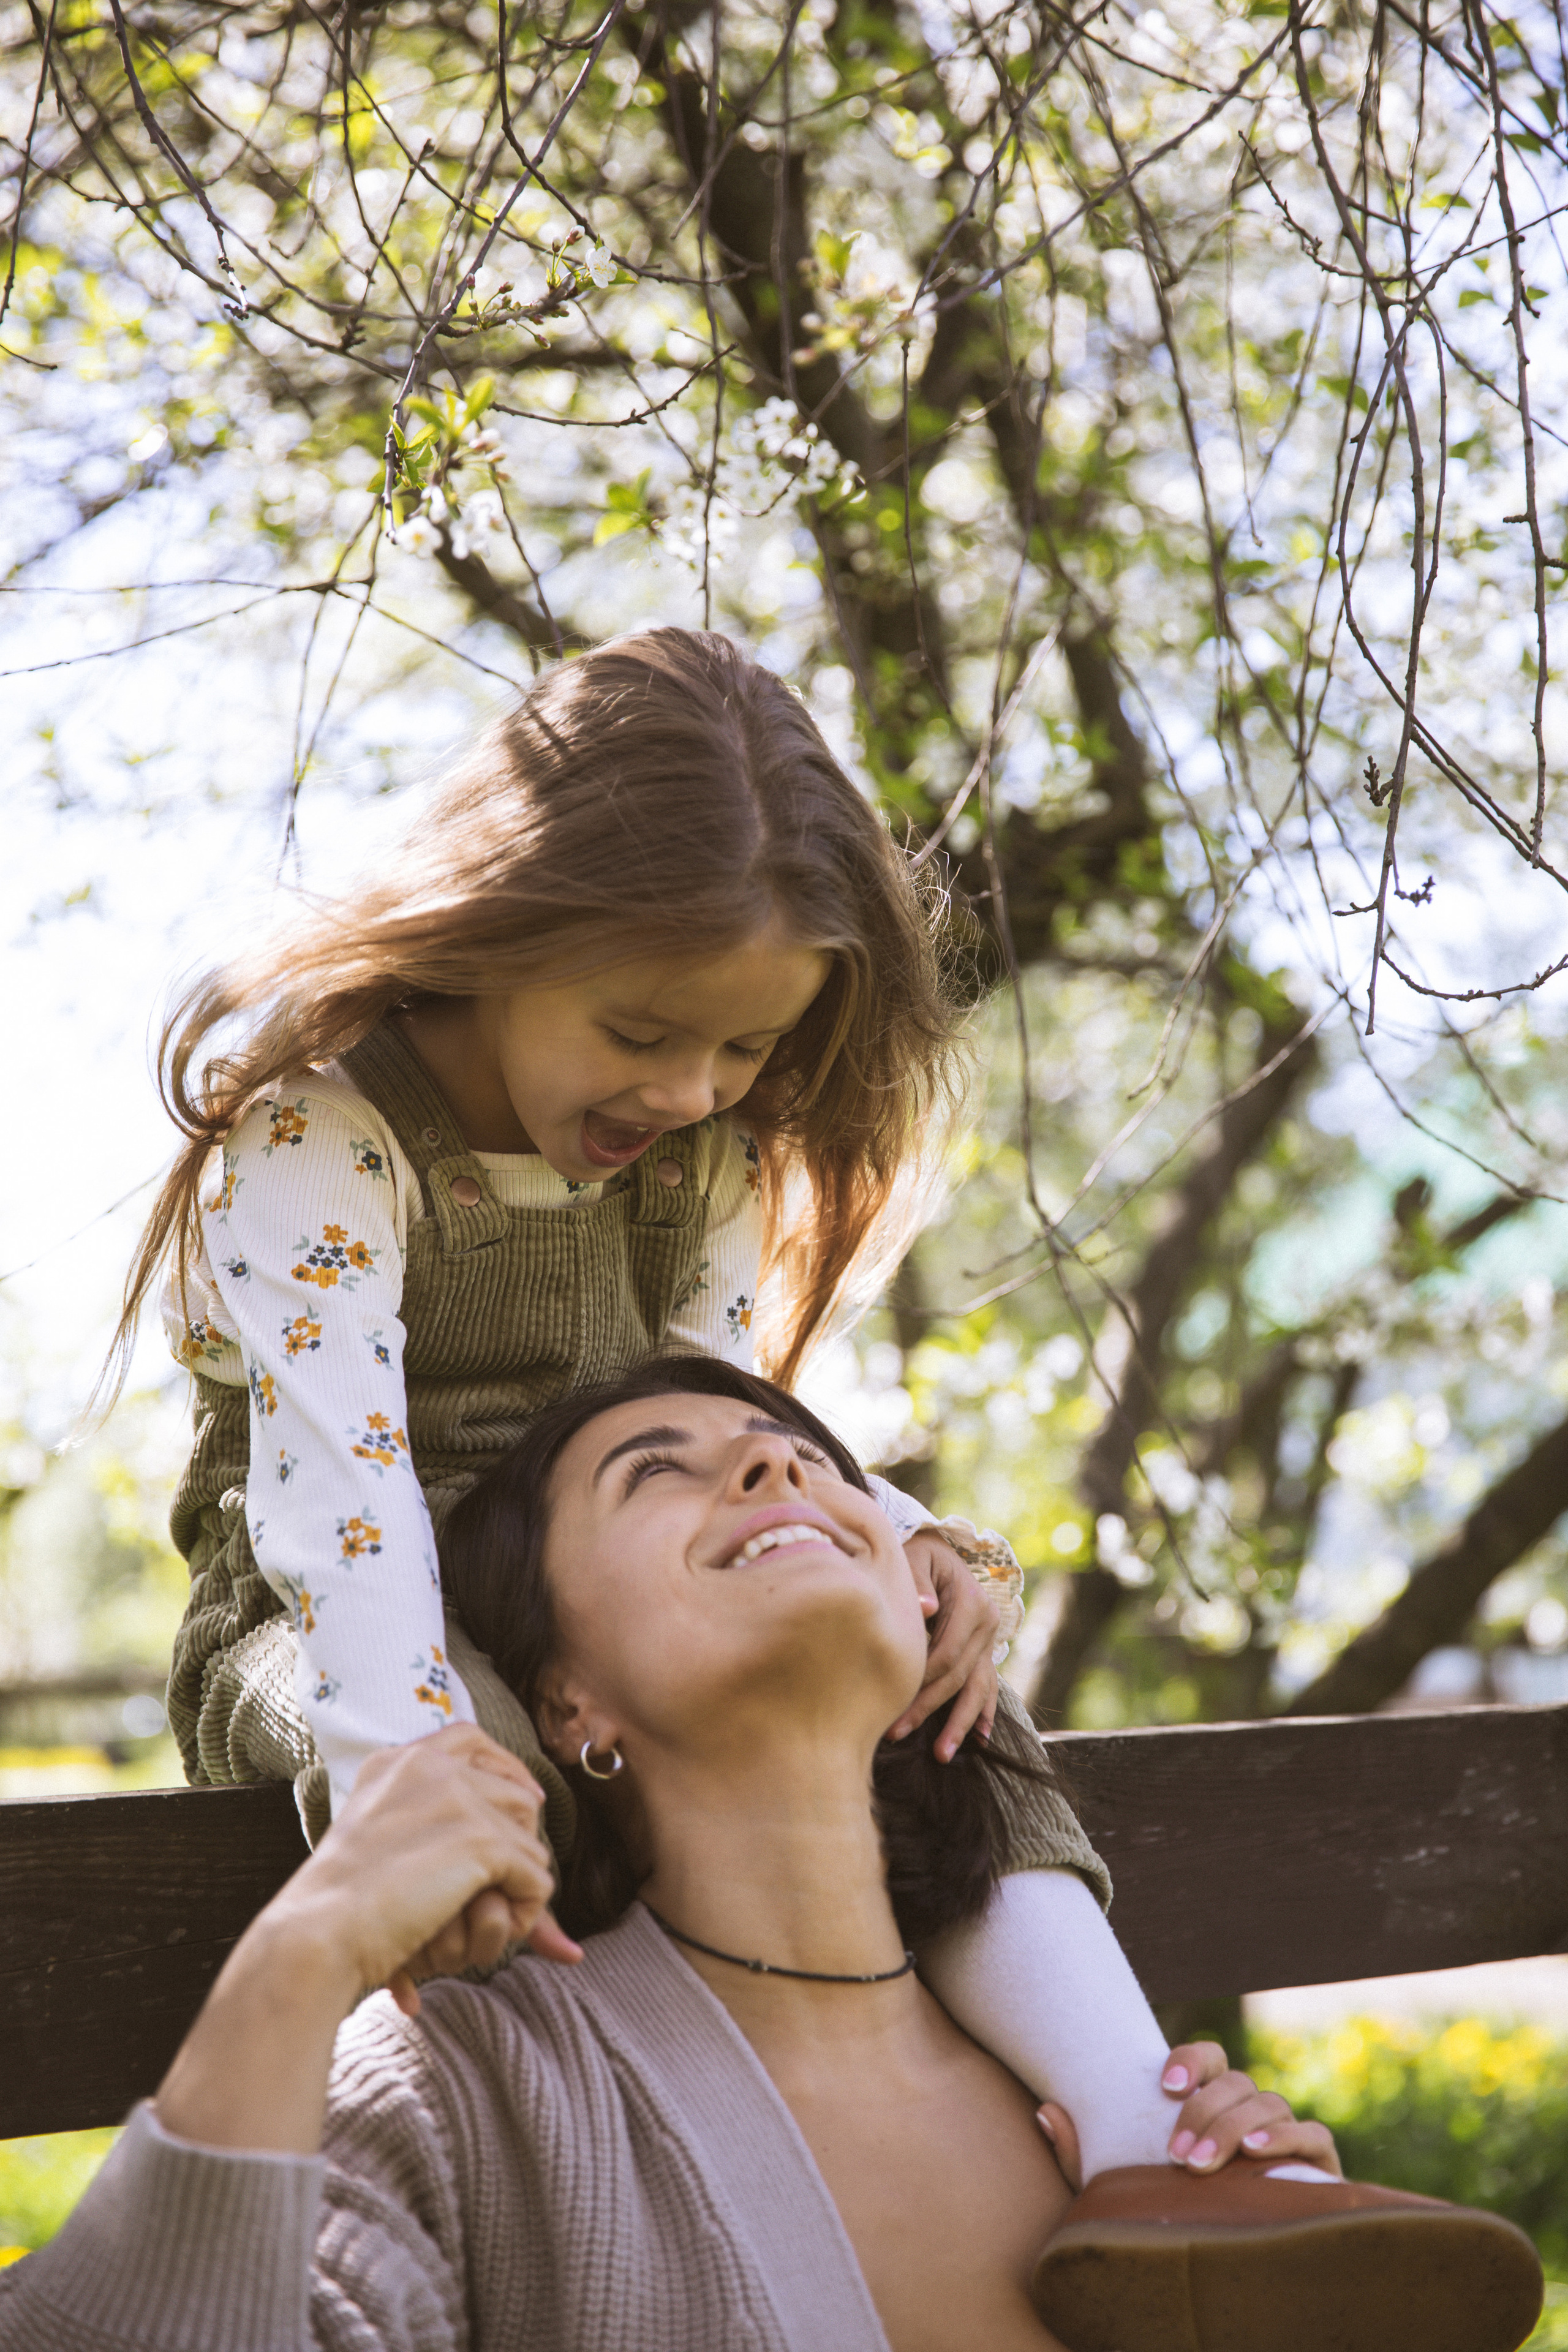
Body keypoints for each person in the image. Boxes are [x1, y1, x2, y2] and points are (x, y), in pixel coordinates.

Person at [108, 624, 1188, 2207]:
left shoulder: (711, 1152)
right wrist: (411, 1776)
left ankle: (1153, 2155)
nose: (692, 1089)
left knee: (941, 1702)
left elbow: (723, 1416)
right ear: (496, 933)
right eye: (642, 1032)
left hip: (604, 1588)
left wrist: (900, 1548)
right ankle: (593, 2189)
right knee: (471, 1759)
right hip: (330, 1615)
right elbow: (344, 1502)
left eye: (747, 1046)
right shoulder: (326, 1132)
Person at [8, 1359, 1534, 2352]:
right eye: (653, 1471)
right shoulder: (474, 2084)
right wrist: (302, 1953)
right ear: (565, 1703)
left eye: (802, 1457)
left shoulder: (1100, 2101)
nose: (772, 1475)